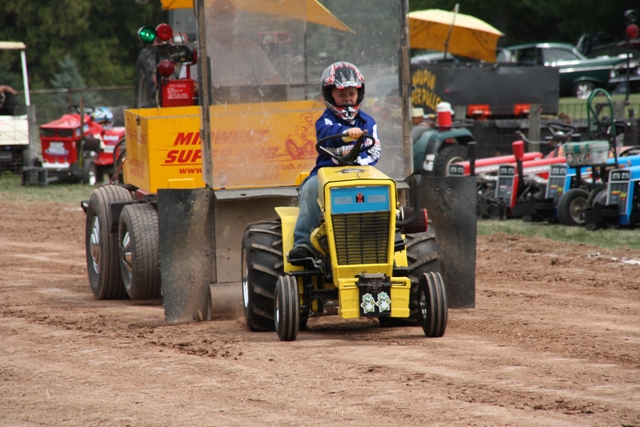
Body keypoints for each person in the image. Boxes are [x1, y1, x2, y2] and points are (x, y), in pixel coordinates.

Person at [288, 62, 381, 265]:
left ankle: (382, 242)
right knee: (311, 187)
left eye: (351, 93)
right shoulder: (325, 121)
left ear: (359, 93)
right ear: (329, 95)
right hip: (326, 175)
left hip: (360, 175)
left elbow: (375, 151)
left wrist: (358, 160)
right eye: (341, 94)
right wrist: (345, 135)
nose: (347, 98)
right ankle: (303, 243)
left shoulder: (368, 122)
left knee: (383, 189)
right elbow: (326, 136)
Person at [206, 0, 283, 88]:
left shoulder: (251, 48)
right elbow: (195, 86)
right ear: (210, 20)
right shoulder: (202, 50)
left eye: (228, 18)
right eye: (218, 17)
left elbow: (275, 82)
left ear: (234, 21)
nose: (223, 23)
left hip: (249, 97)